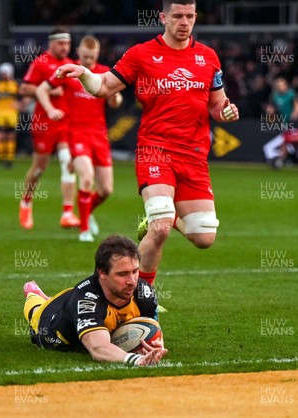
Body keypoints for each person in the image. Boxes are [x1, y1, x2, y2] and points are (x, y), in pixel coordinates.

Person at [57, 0, 239, 285]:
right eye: (177, 16)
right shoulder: (141, 54)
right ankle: (142, 300)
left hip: (193, 154)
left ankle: (165, 210)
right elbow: (104, 86)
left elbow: (217, 104)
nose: (184, 22)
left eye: (190, 16)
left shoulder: (208, 57)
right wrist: (83, 74)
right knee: (161, 228)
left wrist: (226, 111)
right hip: (155, 150)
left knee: (204, 237)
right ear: (162, 17)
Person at [22, 235, 167, 366]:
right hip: (50, 322)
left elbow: (153, 330)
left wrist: (154, 345)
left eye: (135, 271)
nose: (132, 281)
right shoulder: (86, 302)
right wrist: (137, 360)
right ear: (102, 272)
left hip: (76, 301)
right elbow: (98, 349)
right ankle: (32, 292)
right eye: (122, 274)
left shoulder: (144, 293)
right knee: (36, 311)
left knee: (73, 301)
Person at [35, 35, 123, 242]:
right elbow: (42, 89)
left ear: (97, 55)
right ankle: (84, 229)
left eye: (92, 57)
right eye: (85, 57)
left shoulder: (103, 72)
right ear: (79, 54)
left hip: (99, 134)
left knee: (106, 190)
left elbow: (114, 102)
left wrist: (115, 97)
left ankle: (86, 212)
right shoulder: (68, 70)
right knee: (86, 178)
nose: (89, 61)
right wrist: (50, 110)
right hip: (76, 133)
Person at [18, 28, 80, 230]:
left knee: (67, 163)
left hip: (67, 122)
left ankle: (67, 212)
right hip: (44, 122)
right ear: (51, 44)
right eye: (61, 44)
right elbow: (24, 88)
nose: (65, 47)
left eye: (68, 44)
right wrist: (49, 88)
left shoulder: (72, 64)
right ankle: (26, 201)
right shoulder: (41, 62)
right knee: (39, 169)